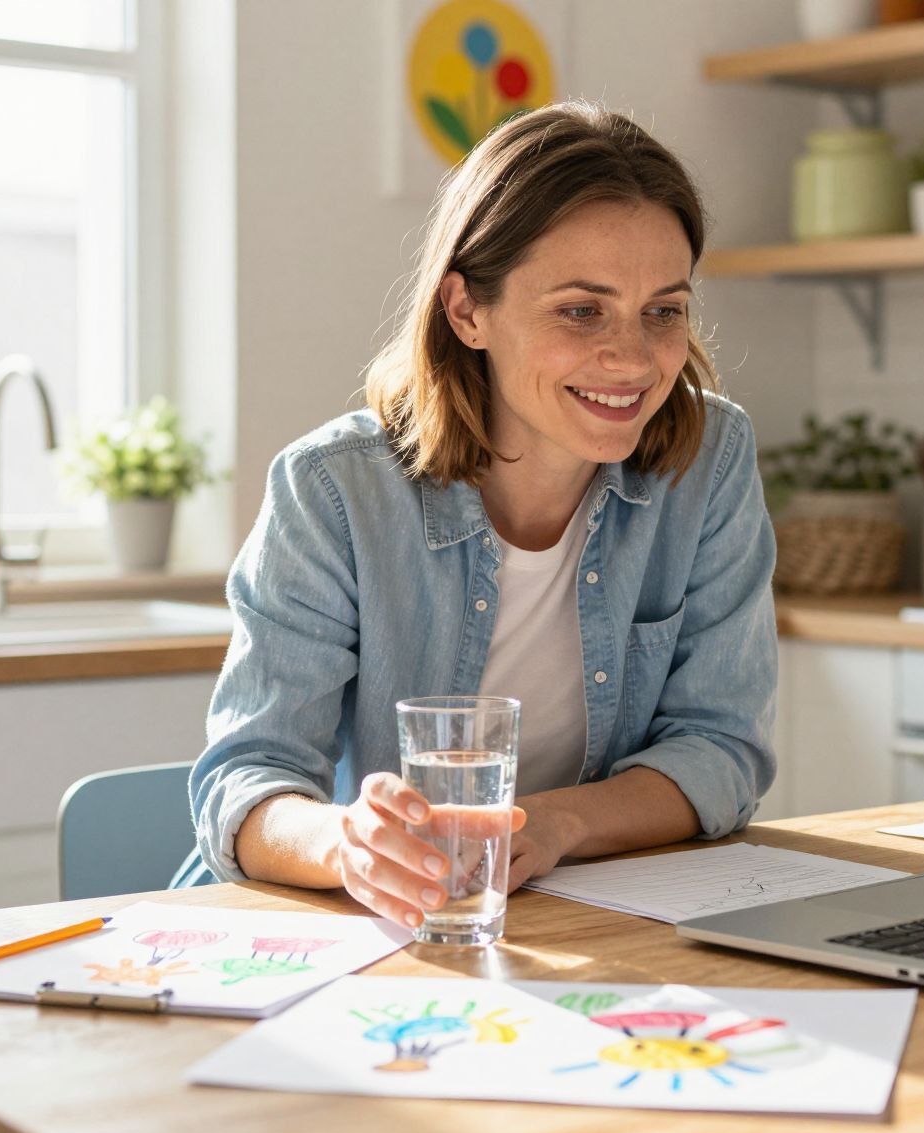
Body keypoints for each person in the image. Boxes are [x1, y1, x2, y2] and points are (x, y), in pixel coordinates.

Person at [178, 101, 778, 932]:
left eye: (664, 310)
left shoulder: (708, 461)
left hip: (567, 920)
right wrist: (348, 842)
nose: (635, 358)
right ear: (467, 312)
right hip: (351, 930)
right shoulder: (332, 491)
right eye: (581, 310)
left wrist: (552, 825)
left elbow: (721, 750)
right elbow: (247, 778)